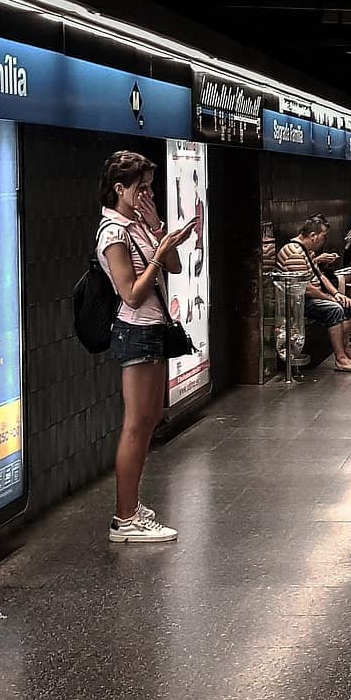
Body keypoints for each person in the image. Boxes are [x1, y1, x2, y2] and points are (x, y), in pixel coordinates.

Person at [97, 151, 200, 543]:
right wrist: (156, 256)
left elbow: (173, 266)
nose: (147, 194)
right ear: (119, 189)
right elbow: (132, 294)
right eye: (141, 188)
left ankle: (133, 506)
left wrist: (158, 227)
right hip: (135, 331)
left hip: (153, 330)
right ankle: (125, 520)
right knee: (136, 425)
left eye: (150, 187)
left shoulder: (138, 223)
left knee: (151, 418)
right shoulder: (113, 233)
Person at [277, 219, 351, 372]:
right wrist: (331, 299)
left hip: (311, 296)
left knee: (347, 306)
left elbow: (320, 276)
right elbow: (307, 289)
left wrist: (337, 293)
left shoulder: (307, 251)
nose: (325, 240)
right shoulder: (294, 253)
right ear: (313, 236)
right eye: (324, 236)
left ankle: (346, 351)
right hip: (299, 301)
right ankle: (340, 358)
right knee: (335, 309)